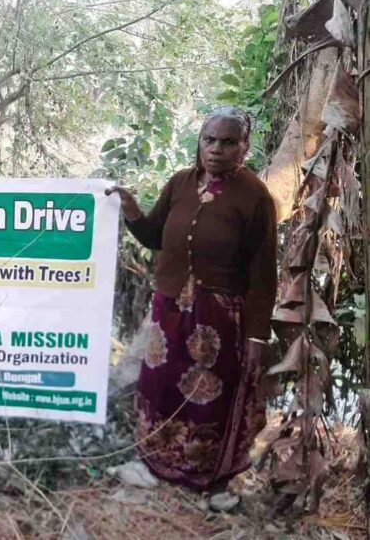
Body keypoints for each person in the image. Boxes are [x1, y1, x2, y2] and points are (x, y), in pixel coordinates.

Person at [108, 107, 277, 507]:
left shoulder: (254, 196)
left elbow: (263, 272)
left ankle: (211, 480)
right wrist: (133, 212)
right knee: (159, 387)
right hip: (169, 311)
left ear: (244, 146)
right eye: (210, 140)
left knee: (209, 397)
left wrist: (256, 334)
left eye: (228, 141)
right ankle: (156, 465)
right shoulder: (180, 183)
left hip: (219, 320)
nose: (217, 149)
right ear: (199, 142)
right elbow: (154, 237)